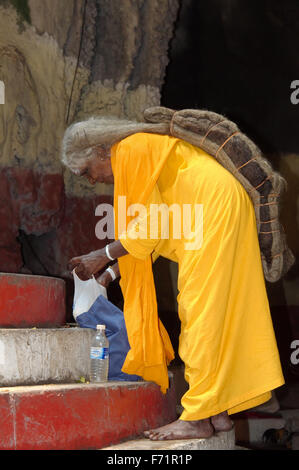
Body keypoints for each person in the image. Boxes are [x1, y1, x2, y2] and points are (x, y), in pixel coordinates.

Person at [62, 116, 285, 441]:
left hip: (211, 211)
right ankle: (217, 411)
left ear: (99, 151)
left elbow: (153, 222)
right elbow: (154, 227)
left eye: (86, 172)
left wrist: (103, 255)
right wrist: (110, 273)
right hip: (219, 207)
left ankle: (196, 418)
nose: (92, 181)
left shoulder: (131, 149)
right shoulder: (135, 149)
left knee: (199, 313)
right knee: (221, 313)